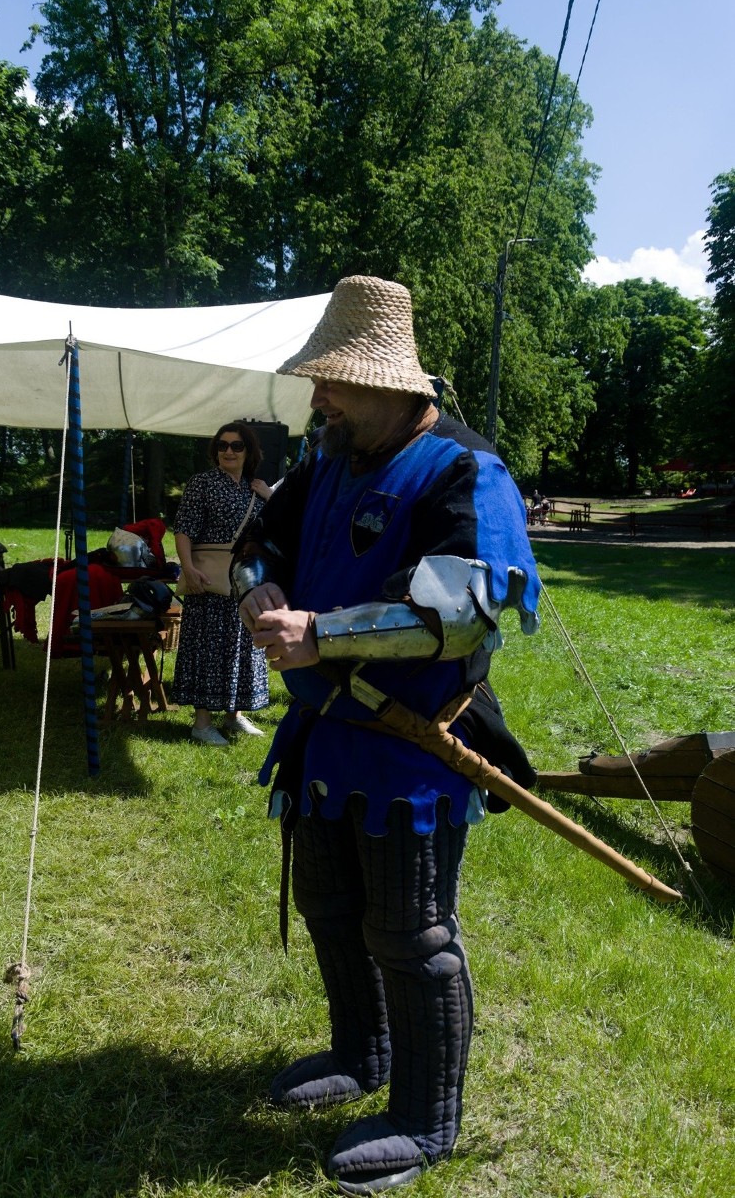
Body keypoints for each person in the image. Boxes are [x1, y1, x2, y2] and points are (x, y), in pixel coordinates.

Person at [231, 275, 541, 1194]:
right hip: (325, 733)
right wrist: (260, 586)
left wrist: (322, 633)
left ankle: (424, 1115)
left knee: (410, 932)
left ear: (391, 384)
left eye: (334, 381)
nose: (318, 397)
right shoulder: (330, 455)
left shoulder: (464, 471)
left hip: (411, 745)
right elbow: (260, 538)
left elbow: (465, 613)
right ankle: (359, 1053)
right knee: (330, 905)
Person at [172, 421, 272, 747]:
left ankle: (234, 715)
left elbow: (276, 531)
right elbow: (184, 529)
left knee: (242, 646)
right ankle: (202, 723)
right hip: (209, 580)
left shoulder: (255, 488)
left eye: (236, 445)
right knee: (209, 648)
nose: (228, 451)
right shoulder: (202, 483)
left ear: (249, 451)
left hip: (246, 580)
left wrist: (270, 498)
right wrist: (187, 569)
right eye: (222, 445)